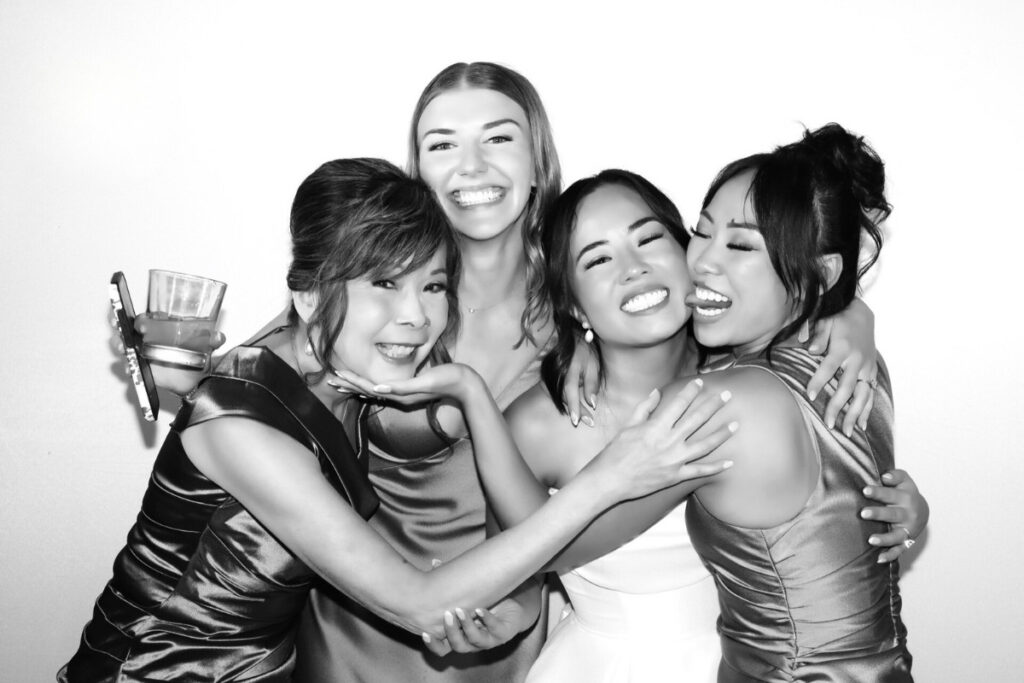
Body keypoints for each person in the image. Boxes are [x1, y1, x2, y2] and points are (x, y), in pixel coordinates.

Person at [127, 63, 903, 681]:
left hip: (515, 634)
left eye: (498, 137)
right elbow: (273, 368)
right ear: (418, 170)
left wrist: (839, 312)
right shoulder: (388, 305)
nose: (472, 165)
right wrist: (184, 379)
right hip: (363, 628)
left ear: (538, 161)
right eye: (441, 144)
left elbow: (728, 288)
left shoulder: (581, 302)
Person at [61, 158, 737, 683]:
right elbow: (416, 600)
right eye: (385, 283)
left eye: (434, 285)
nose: (416, 315)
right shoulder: (237, 423)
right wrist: (613, 473)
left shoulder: (358, 379)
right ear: (305, 293)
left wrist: (845, 315)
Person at [679, 124, 914, 680]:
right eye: (701, 232)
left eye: (739, 244)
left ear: (821, 271)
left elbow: (578, 534)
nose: (701, 261)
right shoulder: (857, 365)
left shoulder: (723, 402)